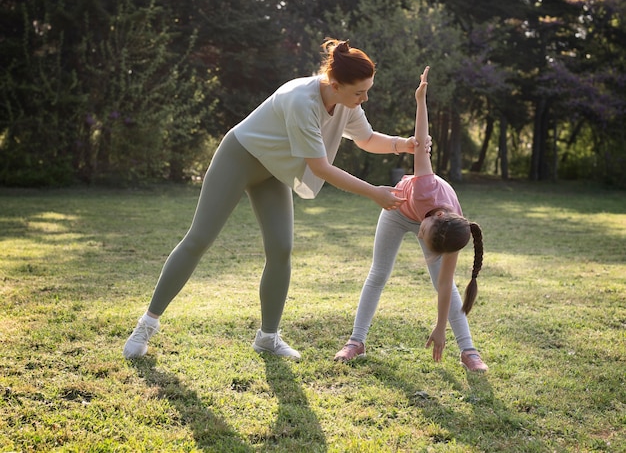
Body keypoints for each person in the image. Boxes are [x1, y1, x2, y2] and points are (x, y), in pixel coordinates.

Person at [123, 39, 425, 360]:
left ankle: (268, 337)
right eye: (359, 93)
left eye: (367, 91)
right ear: (335, 85)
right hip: (240, 157)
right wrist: (374, 192)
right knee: (199, 239)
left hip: (273, 171)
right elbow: (320, 167)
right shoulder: (301, 100)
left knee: (281, 248)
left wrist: (401, 144)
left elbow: (365, 138)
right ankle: (146, 325)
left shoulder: (345, 102)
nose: (365, 99)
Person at [334, 66, 488, 372]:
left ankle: (468, 350)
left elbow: (445, 287)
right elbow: (421, 140)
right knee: (378, 273)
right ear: (434, 220)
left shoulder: (452, 233)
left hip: (431, 223)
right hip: (396, 208)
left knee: (444, 284)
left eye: (423, 236)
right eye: (423, 234)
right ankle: (356, 341)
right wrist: (420, 100)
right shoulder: (426, 184)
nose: (419, 237)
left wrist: (440, 327)